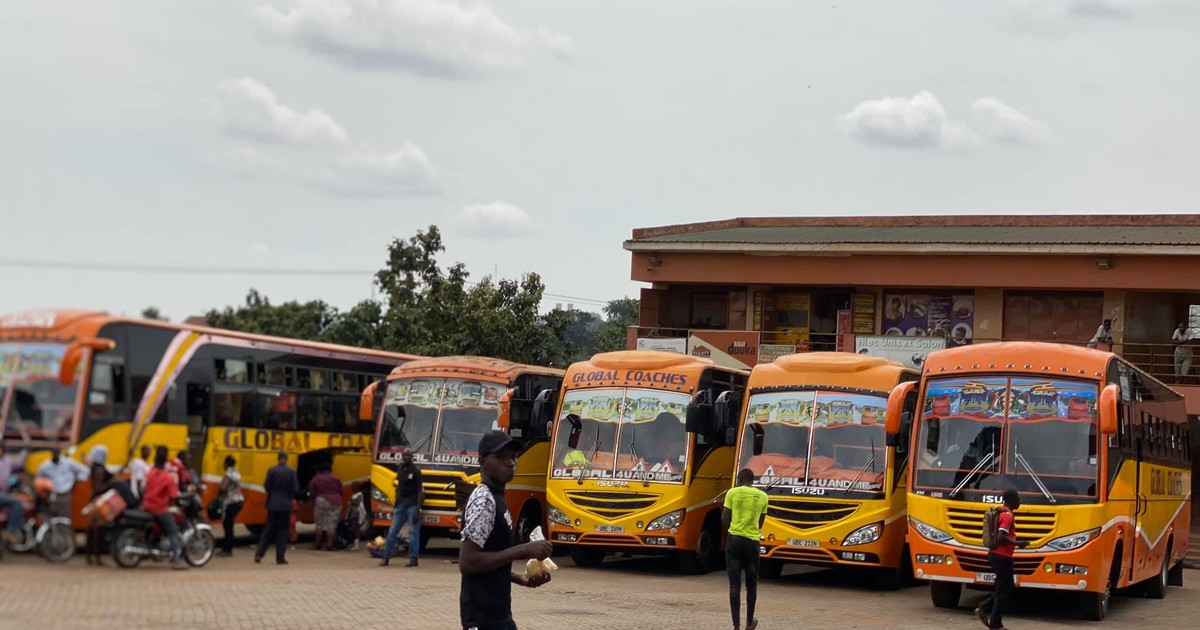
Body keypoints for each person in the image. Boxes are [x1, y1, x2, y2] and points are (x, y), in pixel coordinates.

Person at [459, 431, 552, 630]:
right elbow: (468, 561)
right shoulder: (484, 501)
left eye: (513, 457)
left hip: (499, 615)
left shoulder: (497, 496)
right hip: (482, 618)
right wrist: (524, 550)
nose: (510, 463)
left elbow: (490, 555)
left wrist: (520, 579)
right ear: (482, 461)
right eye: (501, 457)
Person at [722, 468, 768, 630]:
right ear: (752, 480)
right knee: (751, 584)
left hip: (734, 541)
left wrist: (734, 530)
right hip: (752, 543)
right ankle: (749, 622)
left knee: (734, 586)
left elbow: (724, 518)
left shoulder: (732, 493)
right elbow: (760, 523)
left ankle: (736, 626)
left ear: (740, 479)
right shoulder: (763, 497)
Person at [975, 489, 1028, 630]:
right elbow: (1001, 537)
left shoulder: (1001, 511)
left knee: (1004, 587)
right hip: (1001, 557)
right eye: (1017, 498)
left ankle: (987, 611)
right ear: (1011, 500)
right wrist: (1019, 543)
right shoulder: (1008, 516)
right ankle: (993, 620)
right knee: (1004, 588)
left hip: (996, 555)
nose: (1019, 501)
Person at [142, 445, 185, 569]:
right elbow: (173, 495)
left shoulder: (149, 473)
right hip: (159, 509)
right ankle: (175, 560)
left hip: (146, 506)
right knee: (173, 531)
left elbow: (143, 488)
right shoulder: (167, 477)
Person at [381, 448, 423, 567]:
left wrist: (418, 508)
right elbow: (399, 486)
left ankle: (413, 559)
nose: (407, 457)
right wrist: (396, 503)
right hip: (400, 504)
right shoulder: (400, 468)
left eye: (409, 455)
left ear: (412, 457)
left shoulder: (416, 471)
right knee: (392, 532)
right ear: (402, 456)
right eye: (405, 455)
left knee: (413, 532)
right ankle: (386, 557)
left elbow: (420, 490)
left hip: (413, 505)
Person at [255, 451, 299, 565]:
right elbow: (295, 489)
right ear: (287, 459)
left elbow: (266, 486)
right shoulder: (291, 472)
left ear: (278, 459)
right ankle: (280, 557)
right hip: (285, 505)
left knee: (268, 529)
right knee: (283, 531)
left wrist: (273, 494)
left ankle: (259, 554)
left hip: (273, 504)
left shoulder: (272, 471)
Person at [84, 445, 116, 565]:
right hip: (99, 502)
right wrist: (111, 483)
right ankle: (96, 558)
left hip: (94, 500)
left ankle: (90, 557)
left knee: (91, 531)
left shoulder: (94, 467)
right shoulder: (99, 469)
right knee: (98, 531)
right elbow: (98, 487)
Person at [35, 448, 88, 517]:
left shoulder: (68, 463)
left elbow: (84, 471)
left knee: (65, 517)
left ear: (60, 451)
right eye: (54, 451)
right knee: (53, 517)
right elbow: (38, 479)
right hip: (53, 495)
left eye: (57, 450)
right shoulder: (45, 466)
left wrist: (77, 481)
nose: (56, 453)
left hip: (66, 494)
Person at [308, 461, 343, 551]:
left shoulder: (316, 478)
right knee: (331, 525)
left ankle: (317, 544)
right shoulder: (336, 478)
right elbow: (341, 491)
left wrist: (312, 499)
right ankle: (330, 545)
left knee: (319, 524)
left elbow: (312, 490)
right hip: (336, 500)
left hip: (321, 500)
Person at [0, 441, 29, 546]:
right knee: (16, 503)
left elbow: (19, 463)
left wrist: (26, 450)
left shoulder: (7, 459)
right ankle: (11, 530)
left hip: (4, 493)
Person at [217, 455, 244, 557]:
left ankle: (227, 550)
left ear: (226, 463)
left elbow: (223, 487)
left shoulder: (229, 473)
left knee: (228, 525)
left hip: (232, 502)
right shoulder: (236, 472)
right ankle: (227, 547)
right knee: (229, 524)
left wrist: (219, 487)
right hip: (239, 500)